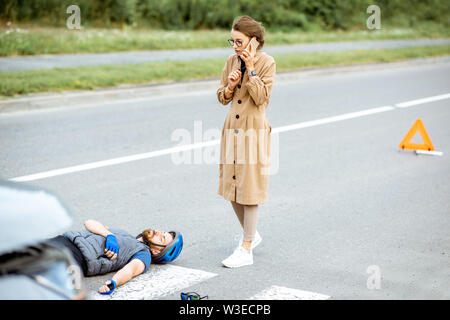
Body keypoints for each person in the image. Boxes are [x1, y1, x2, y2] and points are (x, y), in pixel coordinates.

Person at [216, 16, 276, 268]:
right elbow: (221, 97)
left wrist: (250, 69)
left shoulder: (267, 62)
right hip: (232, 130)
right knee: (231, 187)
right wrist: (229, 87)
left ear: (254, 40)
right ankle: (251, 234)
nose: (235, 46)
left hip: (253, 130)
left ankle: (246, 248)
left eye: (239, 41)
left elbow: (262, 98)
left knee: (249, 190)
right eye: (232, 40)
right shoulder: (231, 61)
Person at [47, 219, 183, 294]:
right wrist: (109, 235)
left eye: (162, 238)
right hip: (63, 240)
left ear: (157, 252)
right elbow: (89, 223)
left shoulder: (143, 254)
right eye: (162, 232)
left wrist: (114, 283)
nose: (158, 232)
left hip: (76, 258)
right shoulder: (123, 233)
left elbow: (130, 270)